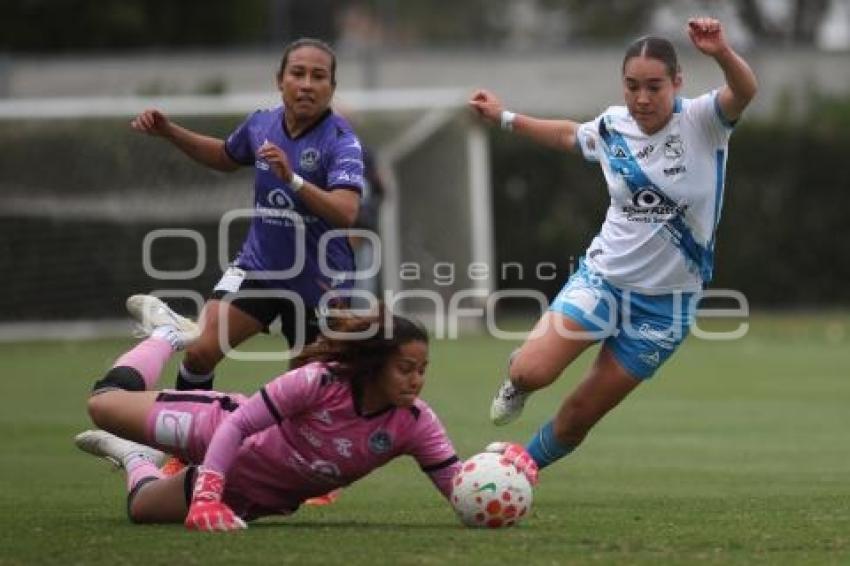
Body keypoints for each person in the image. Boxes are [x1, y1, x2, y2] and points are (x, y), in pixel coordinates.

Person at [468, 19, 757, 471]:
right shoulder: (613, 126)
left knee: (579, 416)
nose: (642, 98)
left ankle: (518, 469)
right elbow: (569, 135)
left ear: (677, 82)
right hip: (603, 280)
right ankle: (517, 379)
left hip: (665, 308)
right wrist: (504, 118)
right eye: (632, 86)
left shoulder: (703, 121)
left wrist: (721, 51)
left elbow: (744, 90)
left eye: (654, 87)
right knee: (530, 372)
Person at [75, 296, 537, 530]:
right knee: (102, 405)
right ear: (375, 364)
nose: (416, 380)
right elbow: (239, 424)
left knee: (141, 509)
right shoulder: (319, 382)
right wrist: (206, 495)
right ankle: (168, 335)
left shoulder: (415, 423)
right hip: (214, 431)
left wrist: (502, 470)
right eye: (405, 369)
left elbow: (459, 487)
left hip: (251, 496)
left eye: (423, 370)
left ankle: (134, 456)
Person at [130, 38, 364, 393]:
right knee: (199, 351)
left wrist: (293, 179)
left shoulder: (342, 141)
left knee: (307, 389)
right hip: (258, 268)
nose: (306, 84)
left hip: (319, 283)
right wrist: (169, 132)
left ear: (331, 87)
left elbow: (345, 212)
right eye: (298, 73)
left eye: (318, 76)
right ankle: (190, 431)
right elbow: (225, 156)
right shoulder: (261, 124)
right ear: (280, 80)